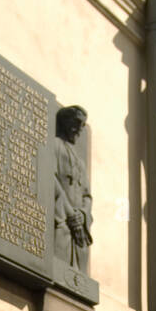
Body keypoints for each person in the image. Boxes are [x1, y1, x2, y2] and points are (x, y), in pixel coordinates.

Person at [54, 105, 92, 271]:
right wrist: (70, 213)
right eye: (77, 123)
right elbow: (52, 179)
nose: (80, 129)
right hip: (63, 220)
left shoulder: (80, 162)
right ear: (66, 122)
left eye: (83, 126)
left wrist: (82, 215)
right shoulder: (55, 145)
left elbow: (87, 196)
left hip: (78, 227)